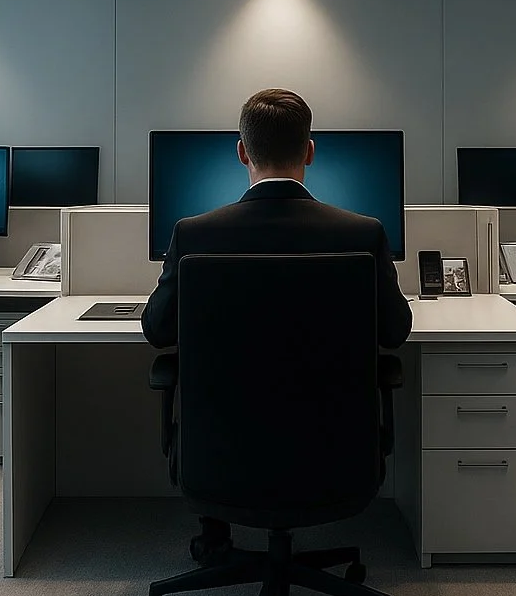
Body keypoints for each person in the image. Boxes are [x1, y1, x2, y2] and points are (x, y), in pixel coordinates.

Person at [142, 89, 413, 561]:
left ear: (242, 151)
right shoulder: (363, 233)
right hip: (334, 455)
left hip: (222, 458)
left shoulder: (194, 234)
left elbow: (157, 331)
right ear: (310, 150)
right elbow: (395, 333)